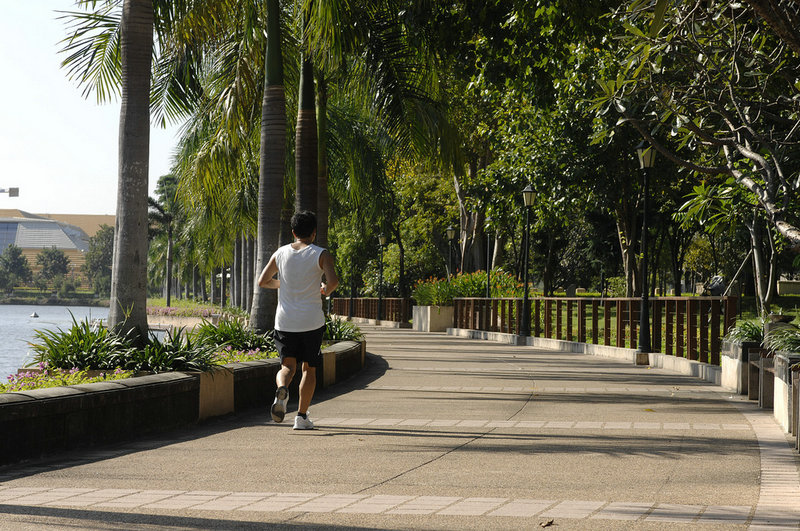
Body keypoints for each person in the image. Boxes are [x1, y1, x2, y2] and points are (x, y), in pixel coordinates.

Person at [257, 210, 339, 430]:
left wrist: (282, 284)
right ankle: (301, 417)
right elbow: (333, 282)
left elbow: (263, 281)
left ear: (293, 232)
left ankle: (282, 388)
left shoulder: (280, 253)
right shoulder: (321, 254)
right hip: (311, 322)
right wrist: (324, 289)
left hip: (285, 322)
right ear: (314, 233)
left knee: (287, 366)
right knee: (309, 369)